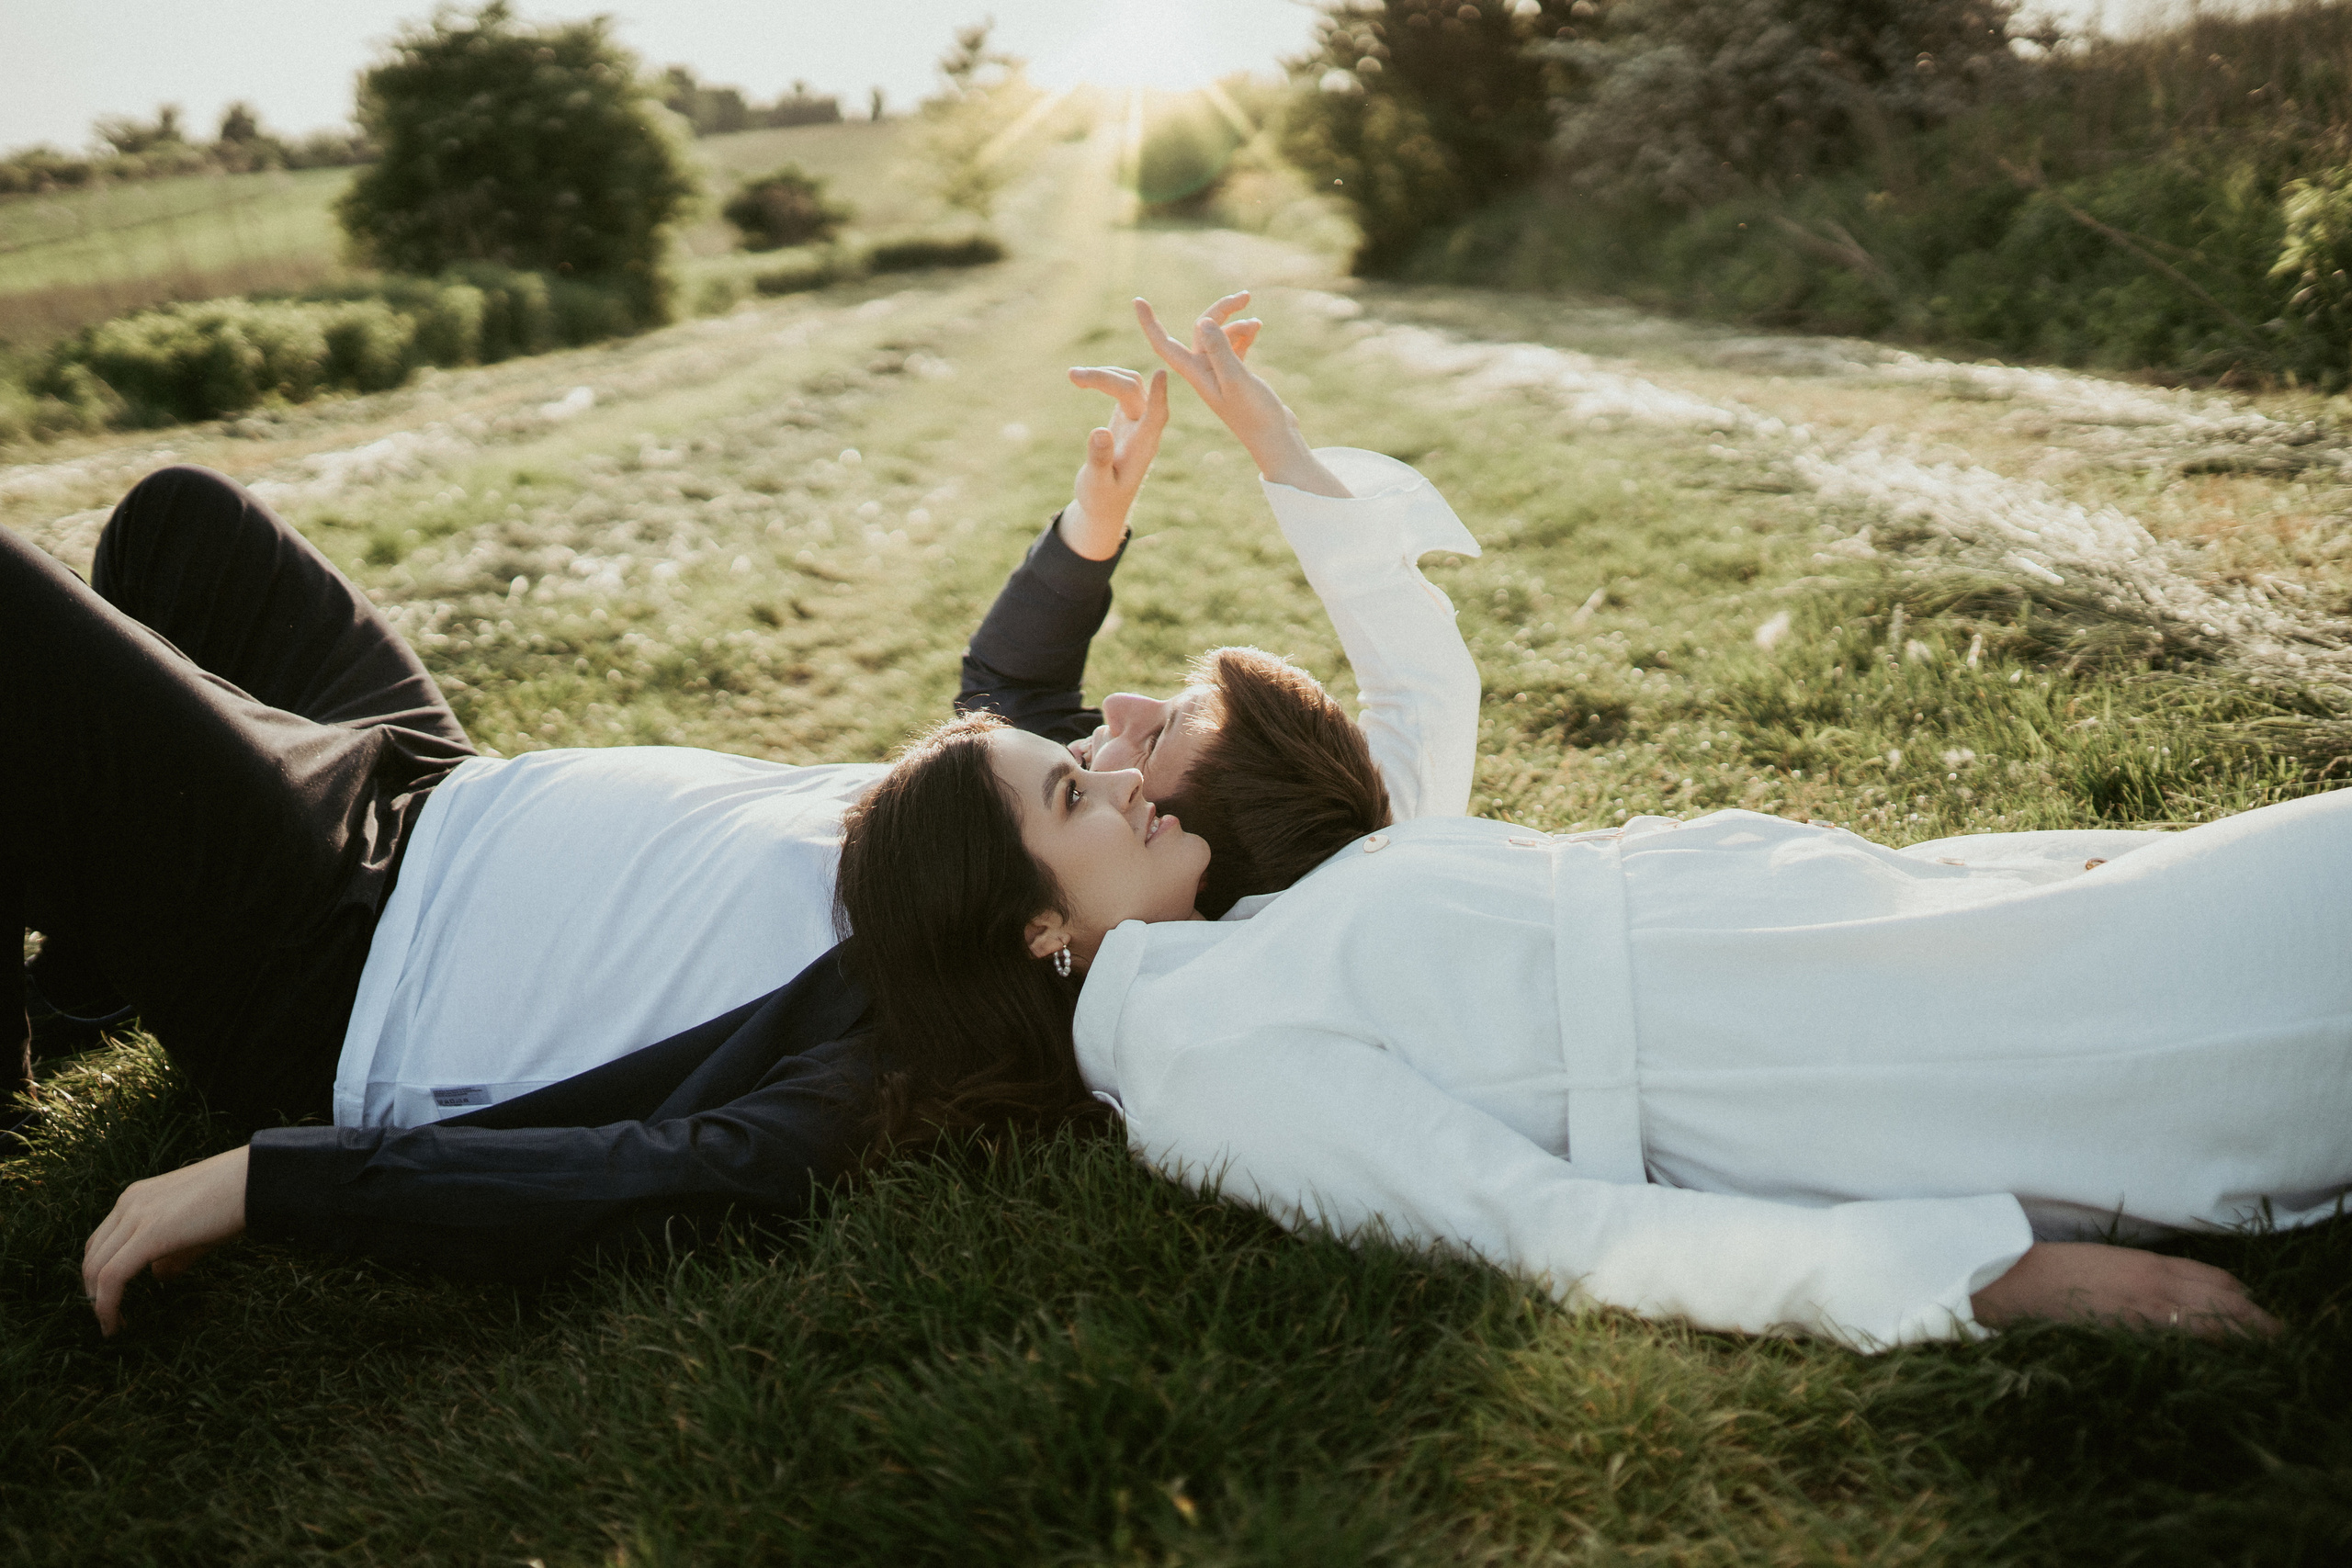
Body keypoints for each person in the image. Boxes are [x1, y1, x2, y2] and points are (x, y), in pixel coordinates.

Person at [833, 295, 2348, 1351]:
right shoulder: (1197, 1061)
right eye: (1074, 793)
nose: (1121, 775)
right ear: (1037, 926)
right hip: (1877, 1047)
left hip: (1913, 929)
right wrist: (1985, 1277)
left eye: (1090, 763)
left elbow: (1418, 702)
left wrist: (1274, 443)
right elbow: (1542, 1226)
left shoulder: (1252, 915)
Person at [19, 299, 1438, 1334]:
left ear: (1157, 874)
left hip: (346, 948)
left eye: (1147, 751)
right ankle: (89, 977)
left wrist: (272, 1182)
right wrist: (1091, 528)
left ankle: (90, 968)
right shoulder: (1026, 850)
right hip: (440, 789)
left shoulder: (913, 1035)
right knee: (183, 524)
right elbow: (1007, 701)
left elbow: (632, 1181)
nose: (1113, 728)